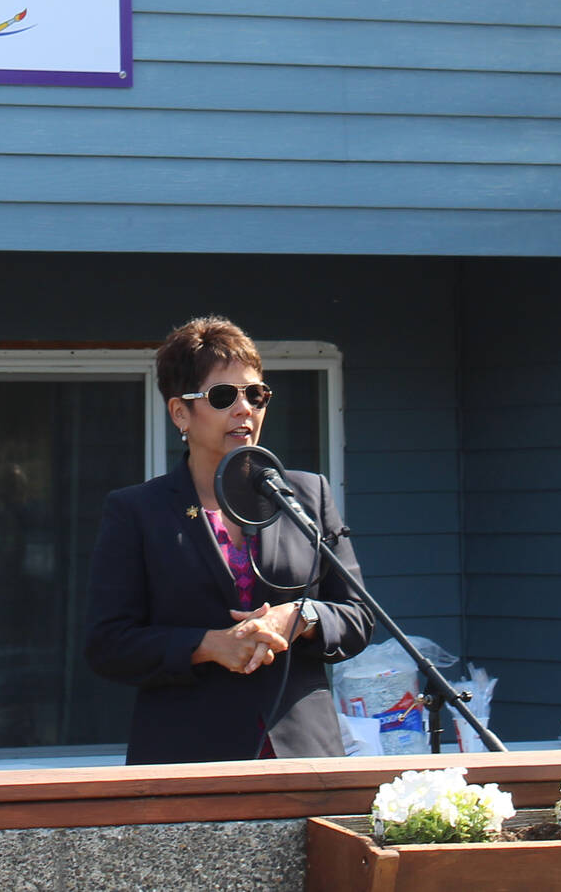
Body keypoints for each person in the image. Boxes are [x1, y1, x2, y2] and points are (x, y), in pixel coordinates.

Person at [85, 316, 372, 764]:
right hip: (187, 759)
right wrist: (209, 645)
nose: (245, 409)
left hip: (303, 758)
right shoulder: (138, 511)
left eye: (255, 394)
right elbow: (108, 644)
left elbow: (358, 617)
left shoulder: (308, 495)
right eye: (224, 396)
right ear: (180, 412)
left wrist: (299, 617)